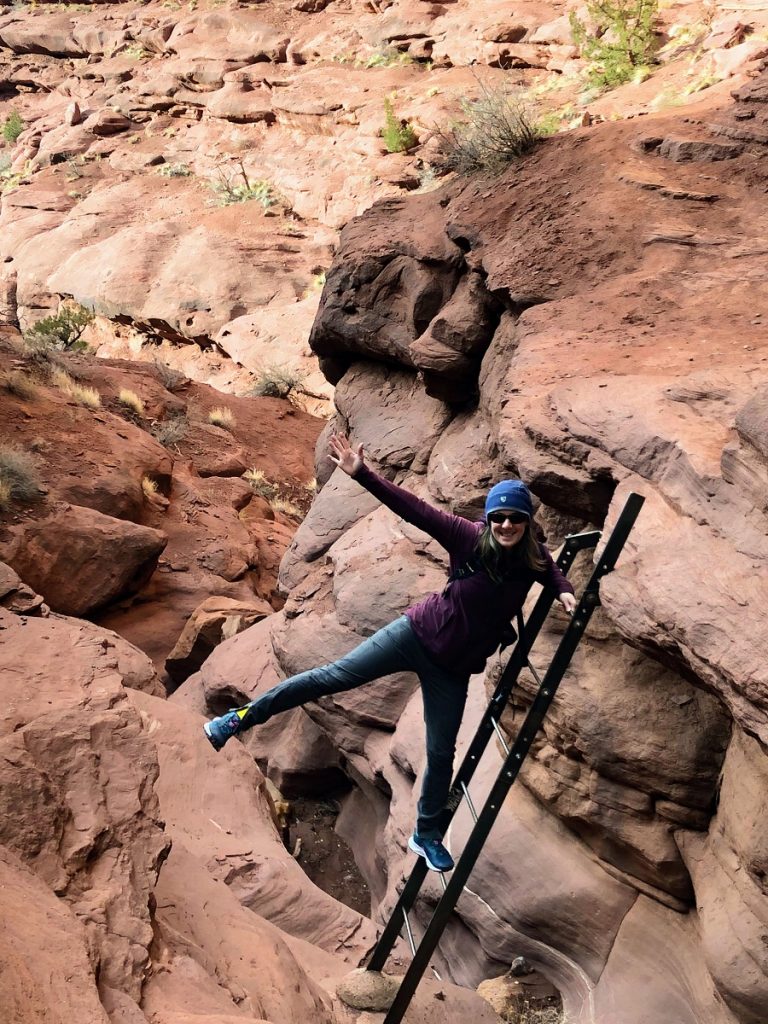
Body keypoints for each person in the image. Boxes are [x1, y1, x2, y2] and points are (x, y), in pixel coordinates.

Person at [204, 433, 577, 872]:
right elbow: (415, 510)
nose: (507, 526)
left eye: (515, 518)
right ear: (489, 519)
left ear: (527, 521)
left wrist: (565, 591)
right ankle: (237, 720)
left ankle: (425, 835)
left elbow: (549, 568)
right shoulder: (468, 538)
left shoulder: (533, 554)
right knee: (329, 678)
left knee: (440, 754)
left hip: (452, 671)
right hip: (414, 635)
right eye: (499, 518)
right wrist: (363, 474)